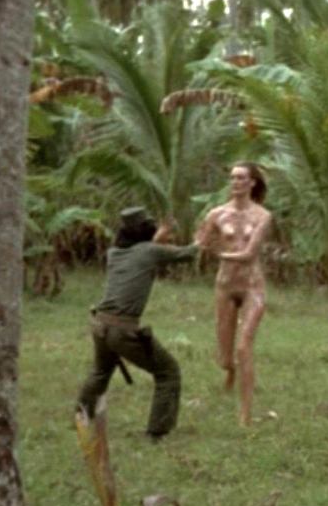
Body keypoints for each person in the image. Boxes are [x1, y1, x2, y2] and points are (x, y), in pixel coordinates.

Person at [77, 208, 199, 440]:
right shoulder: (149, 251)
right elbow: (189, 253)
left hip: (100, 325)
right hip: (123, 330)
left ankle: (81, 418)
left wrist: (160, 235)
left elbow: (143, 252)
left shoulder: (114, 253)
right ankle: (157, 432)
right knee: (168, 372)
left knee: (100, 372)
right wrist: (204, 236)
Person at [195, 162, 271, 427]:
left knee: (243, 347)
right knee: (226, 358)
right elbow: (201, 243)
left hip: (252, 286)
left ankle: (245, 414)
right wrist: (198, 244)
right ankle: (230, 372)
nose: (236, 182)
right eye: (232, 178)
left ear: (252, 182)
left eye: (241, 178)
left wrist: (220, 253)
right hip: (225, 287)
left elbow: (249, 254)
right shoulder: (216, 214)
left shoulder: (262, 216)